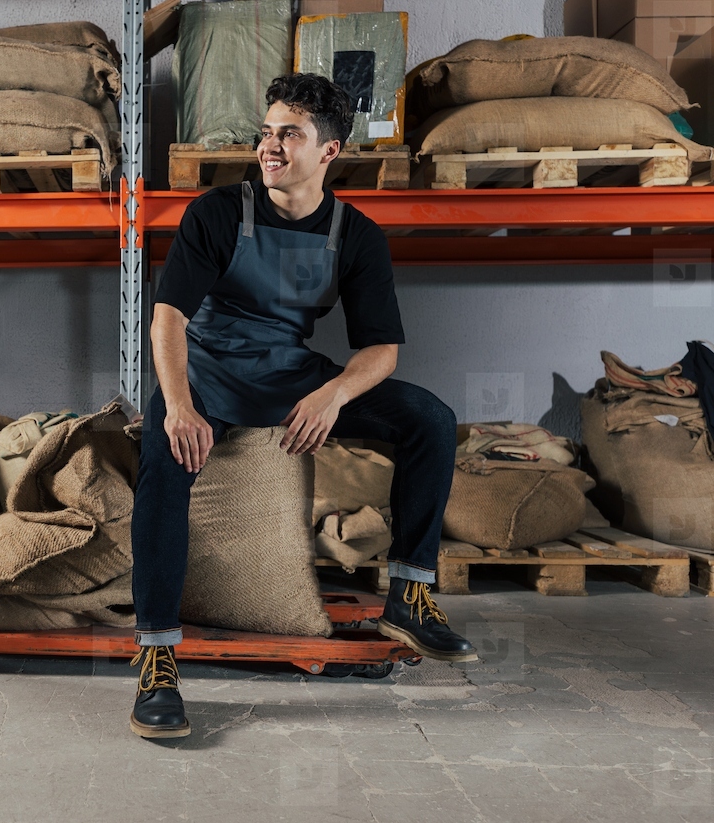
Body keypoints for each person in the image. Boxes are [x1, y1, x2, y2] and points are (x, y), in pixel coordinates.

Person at [128, 73, 477, 740]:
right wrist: (178, 406)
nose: (270, 146)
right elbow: (167, 319)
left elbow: (381, 351)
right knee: (162, 468)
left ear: (330, 152)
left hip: (290, 374)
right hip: (205, 371)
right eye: (266, 132)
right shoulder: (219, 212)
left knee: (428, 418)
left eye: (289, 134)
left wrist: (332, 392)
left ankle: (409, 592)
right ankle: (157, 659)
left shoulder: (356, 236)